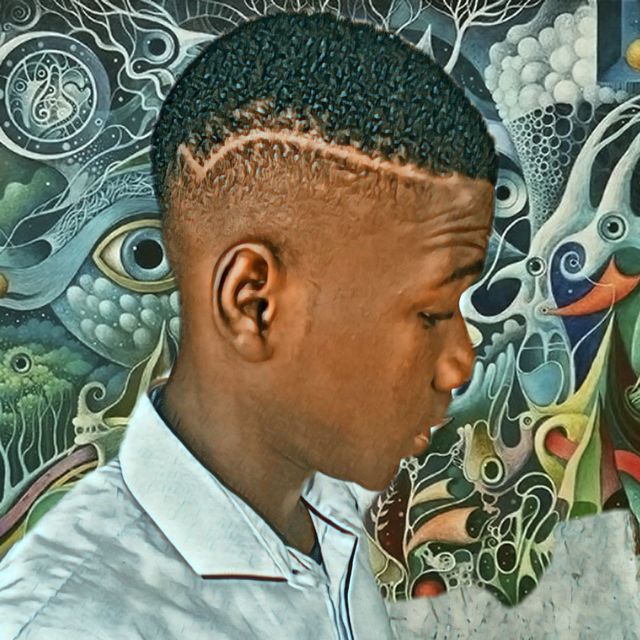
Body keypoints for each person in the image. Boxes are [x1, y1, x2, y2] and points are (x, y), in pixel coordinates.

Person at [0, 11, 496, 640]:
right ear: (254, 304)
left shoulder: (325, 503)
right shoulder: (75, 624)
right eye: (431, 313)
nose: (460, 362)